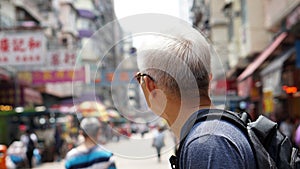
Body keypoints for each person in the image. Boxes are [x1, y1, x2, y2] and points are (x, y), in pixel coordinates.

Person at [135, 24, 256, 168]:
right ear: (209, 80)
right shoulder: (213, 134)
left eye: (140, 79)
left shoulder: (206, 143)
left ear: (150, 86)